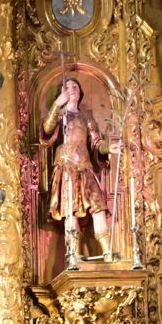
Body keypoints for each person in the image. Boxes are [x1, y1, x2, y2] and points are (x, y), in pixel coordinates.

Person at [40, 76, 113, 263]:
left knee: (98, 207)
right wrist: (57, 105)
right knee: (70, 210)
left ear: (80, 92)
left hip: (85, 168)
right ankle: (74, 254)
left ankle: (108, 251)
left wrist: (108, 148)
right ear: (62, 93)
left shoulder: (86, 117)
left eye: (75, 86)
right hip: (66, 167)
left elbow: (96, 143)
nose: (72, 88)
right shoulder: (60, 114)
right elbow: (47, 129)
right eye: (67, 86)